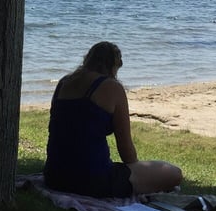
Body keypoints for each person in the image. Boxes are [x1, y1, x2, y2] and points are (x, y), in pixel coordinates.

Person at [43, 41, 182, 198]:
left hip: (54, 177)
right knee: (173, 173)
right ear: (113, 65)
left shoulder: (64, 82)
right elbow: (127, 153)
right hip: (93, 181)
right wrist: (137, 173)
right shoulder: (112, 87)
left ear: (87, 59)